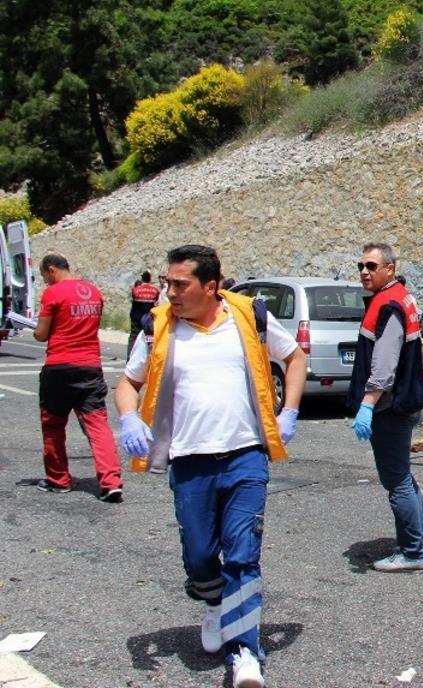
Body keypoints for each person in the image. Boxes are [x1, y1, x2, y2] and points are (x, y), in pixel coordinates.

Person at [114, 245, 306, 688]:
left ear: (211, 286)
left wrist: (289, 410)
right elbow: (128, 382)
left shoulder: (248, 316)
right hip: (190, 462)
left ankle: (245, 653)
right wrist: (128, 416)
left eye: (180, 284)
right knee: (201, 557)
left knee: (243, 555)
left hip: (246, 457)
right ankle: (215, 603)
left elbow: (294, 358)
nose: (169, 292)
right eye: (167, 282)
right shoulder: (158, 327)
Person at [346, 243, 423, 573]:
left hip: (389, 407)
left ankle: (413, 551)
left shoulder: (388, 305)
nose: (364, 272)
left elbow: (384, 366)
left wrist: (367, 404)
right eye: (361, 266)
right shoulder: (402, 298)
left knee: (396, 482)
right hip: (404, 401)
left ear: (390, 268)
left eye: (371, 266)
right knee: (404, 477)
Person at [32, 252, 124, 502]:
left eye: (44, 277)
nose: (46, 282)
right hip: (90, 366)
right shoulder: (94, 291)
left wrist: (35, 328)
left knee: (53, 424)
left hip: (59, 366)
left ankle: (58, 480)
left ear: (51, 270)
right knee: (97, 423)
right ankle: (111, 481)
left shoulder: (53, 292)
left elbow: (42, 334)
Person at [128, 270, 160, 357]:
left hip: (136, 319)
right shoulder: (155, 291)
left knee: (133, 338)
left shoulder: (135, 290)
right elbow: (156, 303)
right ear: (150, 279)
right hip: (148, 320)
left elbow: (133, 299)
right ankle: (148, 359)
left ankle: (130, 358)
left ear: (142, 278)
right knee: (149, 339)